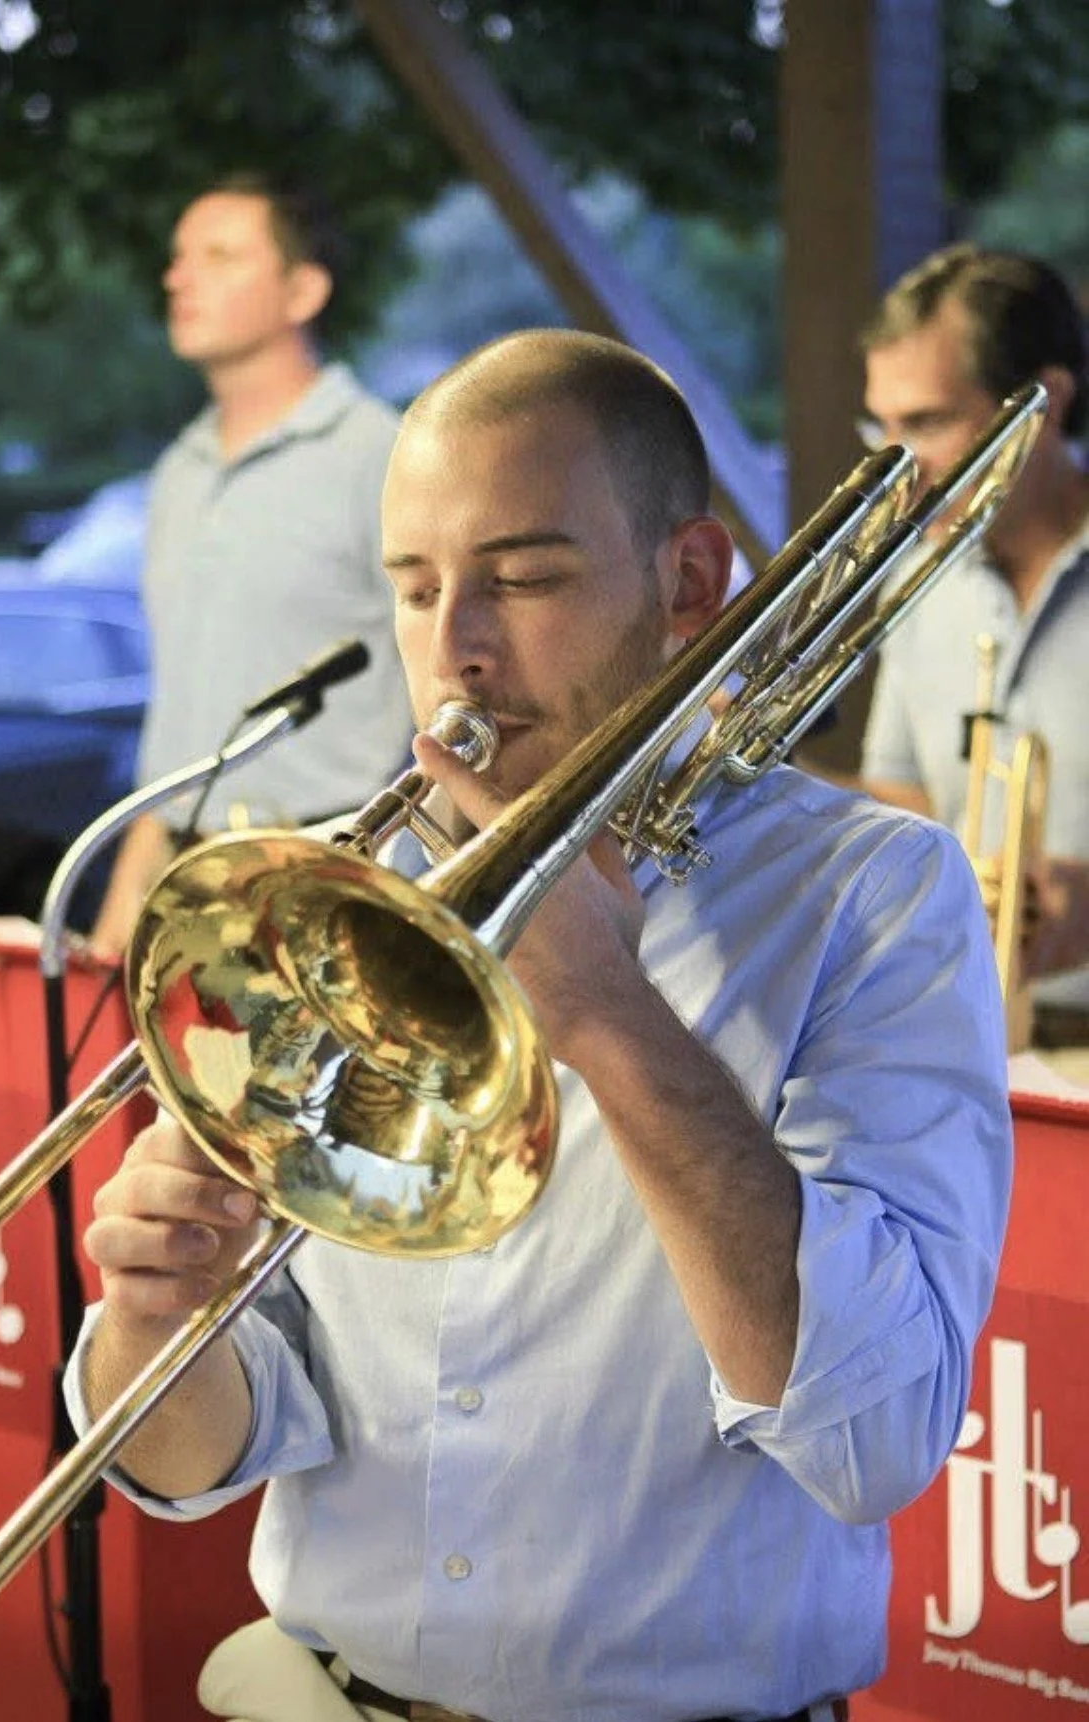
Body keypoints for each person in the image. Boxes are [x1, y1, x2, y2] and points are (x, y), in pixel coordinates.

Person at [66, 330, 1012, 1722]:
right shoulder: (329, 900)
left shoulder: (874, 895)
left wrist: (611, 1019)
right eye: (414, 587)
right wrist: (159, 1317)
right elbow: (200, 1453)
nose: (455, 645)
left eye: (521, 577)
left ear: (688, 582)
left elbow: (874, 1438)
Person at [89, 172, 412, 958]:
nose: (178, 276)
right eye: (178, 257)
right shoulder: (179, 469)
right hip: (185, 878)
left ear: (303, 291)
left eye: (220, 255)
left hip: (333, 886)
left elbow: (458, 691)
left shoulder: (385, 453)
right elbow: (183, 716)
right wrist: (118, 919)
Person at [856, 243, 1089, 1035]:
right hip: (962, 1037)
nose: (895, 464)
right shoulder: (913, 585)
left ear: (1047, 400)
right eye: (879, 424)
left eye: (927, 422)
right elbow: (901, 815)